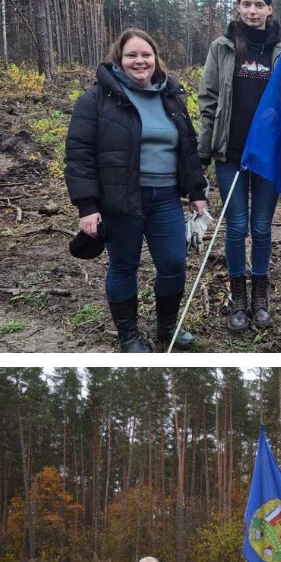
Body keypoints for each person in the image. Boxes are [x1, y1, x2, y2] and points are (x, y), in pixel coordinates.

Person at [65, 27, 209, 352]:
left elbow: (187, 147)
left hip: (166, 199)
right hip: (120, 201)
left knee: (173, 264)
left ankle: (167, 326)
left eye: (146, 54)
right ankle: (128, 336)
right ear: (119, 59)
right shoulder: (97, 99)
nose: (140, 61)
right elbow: (79, 153)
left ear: (155, 58)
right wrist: (87, 206)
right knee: (124, 266)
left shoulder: (170, 96)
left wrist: (197, 192)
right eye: (132, 55)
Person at [198, 0, 281, 333]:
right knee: (235, 227)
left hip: (268, 156)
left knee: (262, 227)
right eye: (246, 4)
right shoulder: (222, 48)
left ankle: (260, 299)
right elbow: (208, 101)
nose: (252, 10)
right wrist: (201, 156)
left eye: (258, 5)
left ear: (269, 10)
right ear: (237, 8)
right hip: (230, 154)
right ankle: (238, 299)